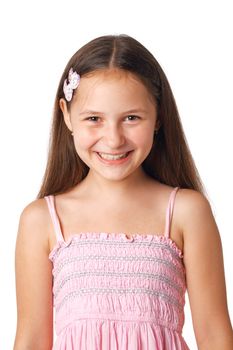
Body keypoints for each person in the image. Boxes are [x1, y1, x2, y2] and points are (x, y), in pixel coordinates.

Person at [13, 34, 233, 350]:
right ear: (66, 115)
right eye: (94, 119)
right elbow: (31, 340)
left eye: (131, 118)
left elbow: (216, 336)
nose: (114, 139)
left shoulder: (185, 211)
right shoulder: (42, 220)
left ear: (158, 116)